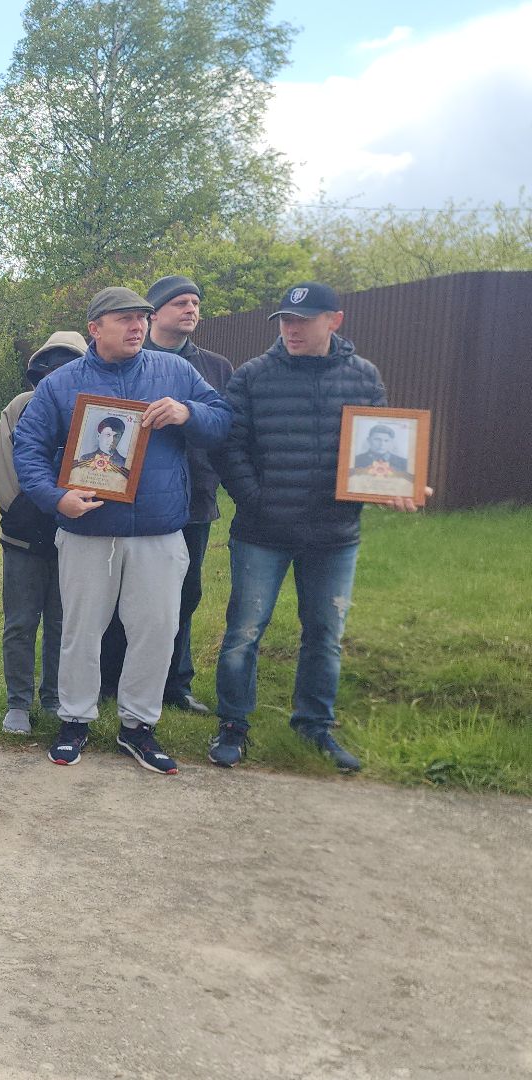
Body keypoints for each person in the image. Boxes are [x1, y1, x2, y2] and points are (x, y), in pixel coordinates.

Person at [12, 286, 231, 773]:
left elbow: (223, 421)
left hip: (159, 529)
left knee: (156, 630)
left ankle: (138, 726)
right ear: (95, 328)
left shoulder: (174, 373)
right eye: (125, 318)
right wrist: (56, 498)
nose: (137, 326)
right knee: (81, 630)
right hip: (89, 530)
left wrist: (187, 412)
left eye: (142, 318)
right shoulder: (62, 384)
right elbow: (26, 447)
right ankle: (74, 720)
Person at [210, 282, 427, 772]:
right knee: (244, 632)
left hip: (334, 537)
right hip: (261, 533)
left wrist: (393, 487)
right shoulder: (252, 377)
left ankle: (314, 725)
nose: (291, 329)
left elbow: (380, 454)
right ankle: (232, 726)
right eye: (285, 320)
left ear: (335, 320)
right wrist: (258, 500)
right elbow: (229, 448)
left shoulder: (364, 378)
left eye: (302, 321)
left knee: (325, 634)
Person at [98, 276, 233, 714]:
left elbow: (224, 423)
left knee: (181, 595)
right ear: (155, 313)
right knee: (119, 596)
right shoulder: (131, 357)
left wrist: (188, 412)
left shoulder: (214, 366)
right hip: (125, 498)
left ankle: (175, 682)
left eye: (196, 302)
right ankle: (110, 680)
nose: (191, 309)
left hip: (192, 500)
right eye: (180, 303)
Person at [0, 330, 85, 734]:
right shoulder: (20, 407)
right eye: (50, 368)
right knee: (21, 622)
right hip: (24, 537)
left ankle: (56, 696)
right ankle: (18, 703)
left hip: (76, 535)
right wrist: (22, 509)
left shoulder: (93, 409)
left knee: (65, 623)